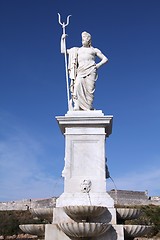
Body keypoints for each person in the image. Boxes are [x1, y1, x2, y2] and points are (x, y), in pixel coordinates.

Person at [61, 31, 108, 110]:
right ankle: (77, 105)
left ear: (88, 40)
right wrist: (62, 40)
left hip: (91, 71)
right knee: (77, 86)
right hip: (80, 71)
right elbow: (63, 51)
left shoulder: (94, 50)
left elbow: (105, 59)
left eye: (84, 39)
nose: (82, 41)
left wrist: (97, 66)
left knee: (89, 90)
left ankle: (88, 107)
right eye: (82, 39)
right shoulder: (77, 50)